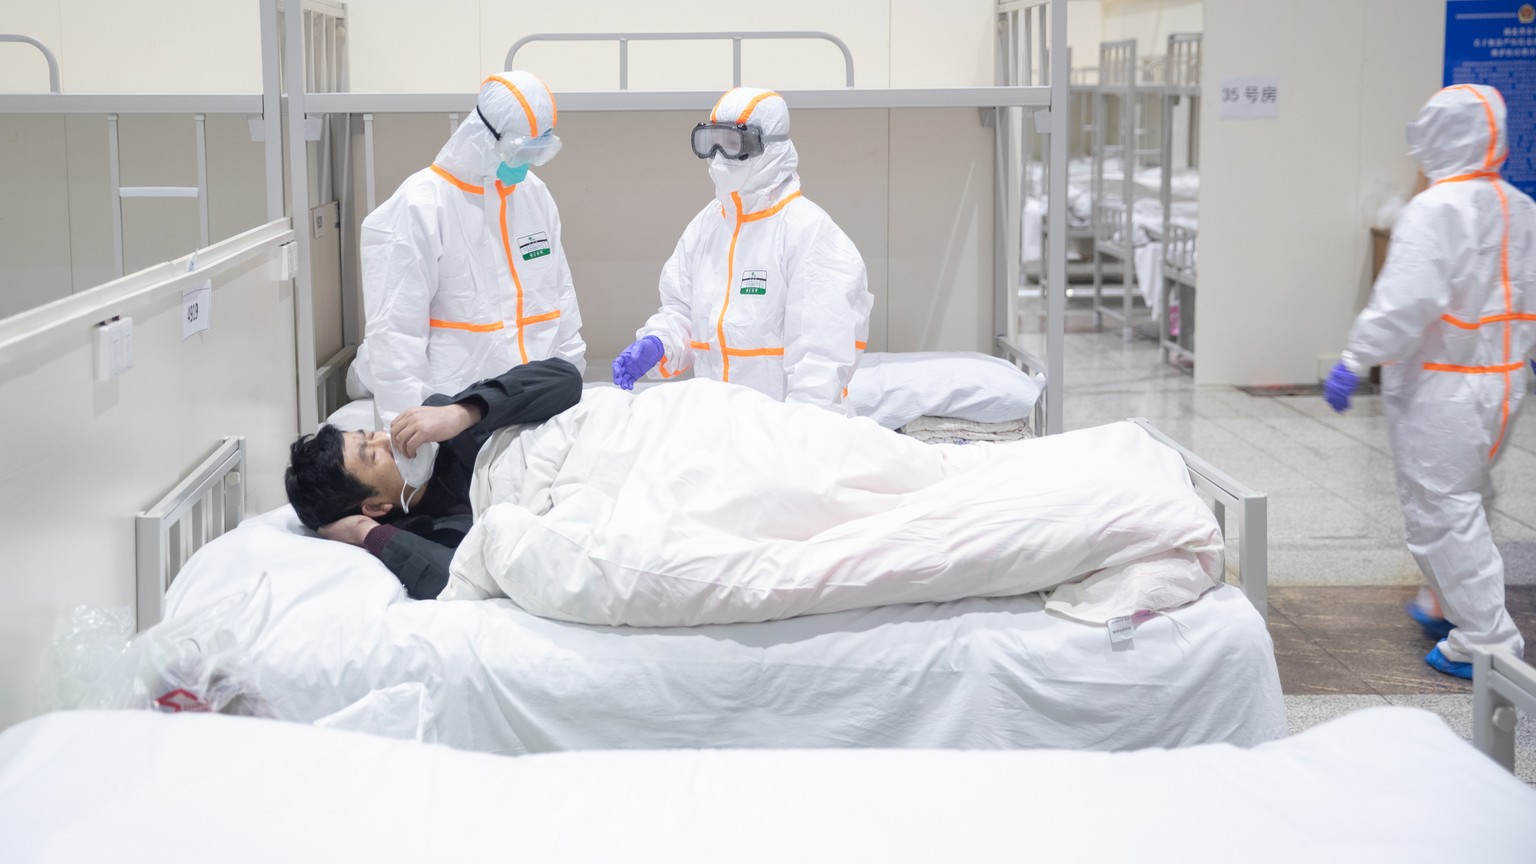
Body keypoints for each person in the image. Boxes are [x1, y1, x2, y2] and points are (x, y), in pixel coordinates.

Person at [1323, 84, 1535, 678]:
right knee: (1469, 495)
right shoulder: (1520, 206)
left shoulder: (1435, 210)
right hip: (1503, 384)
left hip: (1444, 388)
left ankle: (1488, 643)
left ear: (1442, 141)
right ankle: (1443, 598)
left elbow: (1403, 304)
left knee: (1441, 508)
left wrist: (1354, 359)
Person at [350, 70, 586, 438]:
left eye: (537, 152)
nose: (526, 163)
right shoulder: (421, 205)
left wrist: (573, 383)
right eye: (520, 151)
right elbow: (395, 337)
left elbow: (561, 299)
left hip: (538, 410)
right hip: (456, 417)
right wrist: (411, 445)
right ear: (483, 137)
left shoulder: (534, 195)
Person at [611, 87, 873, 413]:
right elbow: (682, 312)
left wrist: (800, 438)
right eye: (711, 143)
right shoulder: (707, 226)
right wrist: (658, 344)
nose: (719, 157)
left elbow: (821, 360)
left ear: (769, 148)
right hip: (720, 428)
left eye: (732, 144)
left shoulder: (809, 233)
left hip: (784, 435)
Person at [286, 358, 583, 600]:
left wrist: (463, 412)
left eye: (371, 434)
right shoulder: (422, 537)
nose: (386, 440)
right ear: (375, 508)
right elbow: (454, 581)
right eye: (372, 456)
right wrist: (365, 532)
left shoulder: (445, 422)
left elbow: (566, 378)